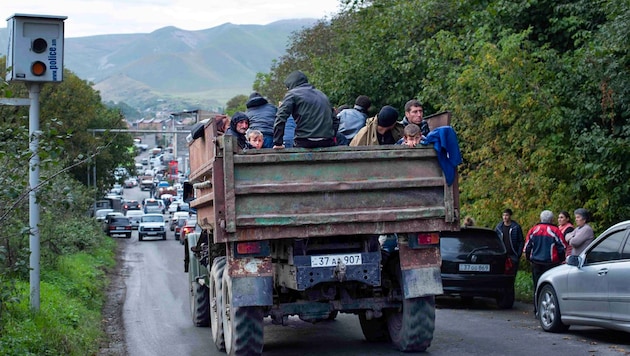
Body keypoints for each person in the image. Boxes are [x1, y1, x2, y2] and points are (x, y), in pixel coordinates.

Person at [273, 70, 338, 149]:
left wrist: (278, 143)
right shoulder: (322, 95)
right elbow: (335, 120)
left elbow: (280, 118)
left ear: (291, 85)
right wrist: (330, 135)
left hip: (305, 141)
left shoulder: (292, 94)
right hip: (327, 141)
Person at [524, 210, 566, 293]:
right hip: (551, 263)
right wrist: (561, 260)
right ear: (552, 219)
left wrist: (529, 258)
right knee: (550, 286)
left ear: (540, 218)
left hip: (536, 262)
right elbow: (562, 247)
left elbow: (527, 247)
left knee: (537, 285)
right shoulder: (555, 230)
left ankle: (537, 304)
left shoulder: (533, 230)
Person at [495, 208, 524, 274]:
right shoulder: (498, 228)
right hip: (502, 254)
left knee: (513, 273)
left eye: (506, 215)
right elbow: (496, 241)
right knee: (501, 273)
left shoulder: (516, 227)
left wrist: (518, 254)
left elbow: (521, 241)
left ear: (510, 216)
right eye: (503, 215)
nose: (505, 217)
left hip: (513, 254)